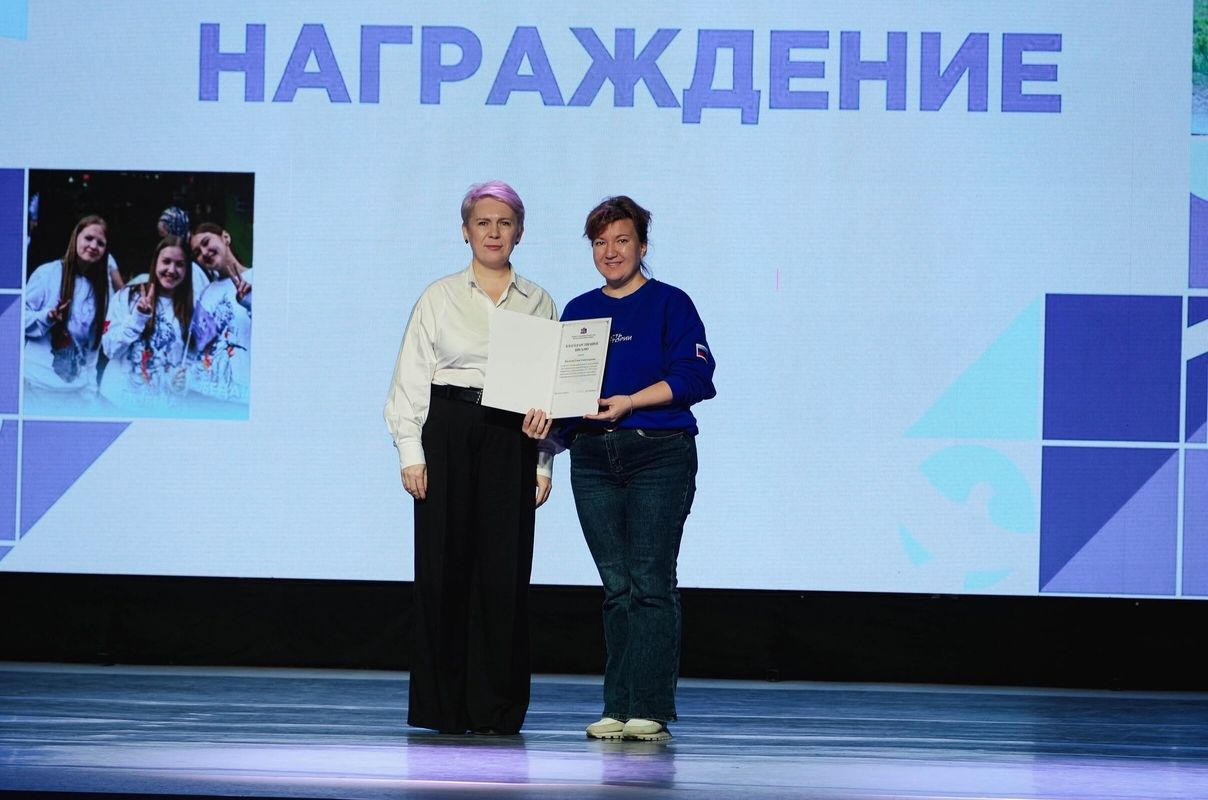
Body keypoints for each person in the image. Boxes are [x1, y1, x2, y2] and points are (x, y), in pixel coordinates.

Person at [384, 180, 557, 735]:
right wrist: (411, 452)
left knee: (504, 574)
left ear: (519, 233)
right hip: (449, 430)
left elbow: (550, 391)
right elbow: (411, 378)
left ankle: (496, 708)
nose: (493, 232)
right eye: (483, 222)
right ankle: (445, 707)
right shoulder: (439, 297)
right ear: (465, 231)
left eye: (504, 223)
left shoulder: (539, 301)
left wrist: (543, 461)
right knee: (444, 569)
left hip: (512, 436)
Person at [560, 196, 716, 742]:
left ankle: (649, 708)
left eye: (622, 240)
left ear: (642, 245)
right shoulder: (577, 310)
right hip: (592, 456)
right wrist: (544, 429)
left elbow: (696, 378)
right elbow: (564, 393)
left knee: (650, 583)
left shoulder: (671, 303)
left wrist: (629, 401)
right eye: (600, 242)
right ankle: (617, 705)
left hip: (658, 451)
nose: (611, 251)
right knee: (616, 587)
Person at [23, 214, 112, 412]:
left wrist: (90, 392)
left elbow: (93, 348)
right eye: (88, 238)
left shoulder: (101, 291)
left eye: (100, 243)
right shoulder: (47, 273)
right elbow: (17, 321)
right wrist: (46, 317)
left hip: (74, 395)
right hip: (37, 387)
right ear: (76, 237)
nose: (93, 246)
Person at [99, 236, 193, 413]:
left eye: (180, 264)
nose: (172, 270)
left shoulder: (190, 310)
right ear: (155, 262)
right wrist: (138, 317)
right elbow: (110, 349)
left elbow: (187, 362)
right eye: (166, 261)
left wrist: (182, 381)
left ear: (187, 270)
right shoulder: (127, 296)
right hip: (116, 403)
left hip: (159, 409)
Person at [187, 222, 252, 411]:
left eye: (206, 242)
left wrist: (250, 304)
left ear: (225, 237)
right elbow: (197, 346)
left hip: (239, 399)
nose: (204, 252)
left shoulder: (258, 277)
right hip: (201, 395)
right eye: (197, 252)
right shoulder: (207, 292)